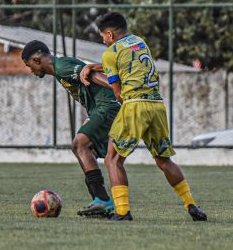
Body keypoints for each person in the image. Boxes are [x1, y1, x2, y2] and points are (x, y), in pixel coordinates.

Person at [80, 12, 207, 221]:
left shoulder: (110, 52)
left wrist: (126, 109)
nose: (103, 40)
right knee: (164, 160)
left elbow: (118, 92)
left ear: (110, 34)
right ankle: (191, 205)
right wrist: (93, 66)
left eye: (103, 36)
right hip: (157, 106)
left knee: (113, 159)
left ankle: (122, 212)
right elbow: (125, 62)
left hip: (134, 105)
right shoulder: (139, 42)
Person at [21, 40, 120, 217]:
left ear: (36, 60)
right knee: (87, 151)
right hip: (102, 108)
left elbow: (91, 75)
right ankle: (101, 202)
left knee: (79, 145)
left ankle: (102, 200)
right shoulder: (60, 70)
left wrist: (118, 90)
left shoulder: (61, 67)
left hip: (107, 106)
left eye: (29, 66)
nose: (31, 71)